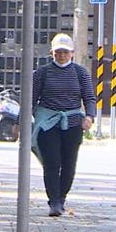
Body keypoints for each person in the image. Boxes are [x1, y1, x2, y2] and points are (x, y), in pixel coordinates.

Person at [32, 33, 96, 216]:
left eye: (65, 52)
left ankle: (61, 198)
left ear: (72, 53)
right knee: (52, 162)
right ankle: (53, 201)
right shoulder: (42, 73)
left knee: (69, 163)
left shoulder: (80, 72)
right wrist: (22, 121)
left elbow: (89, 97)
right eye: (58, 52)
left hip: (73, 123)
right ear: (52, 52)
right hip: (48, 123)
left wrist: (90, 116)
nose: (61, 56)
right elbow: (31, 98)